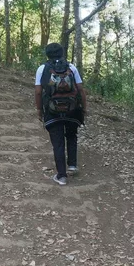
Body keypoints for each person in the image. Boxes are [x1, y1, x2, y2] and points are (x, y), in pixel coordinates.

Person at [34, 43, 87, 185]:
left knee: (57, 142)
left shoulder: (42, 69)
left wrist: (39, 110)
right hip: (72, 109)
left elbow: (38, 92)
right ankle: (72, 165)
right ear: (62, 53)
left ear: (47, 54)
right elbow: (81, 90)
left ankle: (62, 176)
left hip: (52, 110)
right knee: (71, 135)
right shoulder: (71, 67)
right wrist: (84, 108)